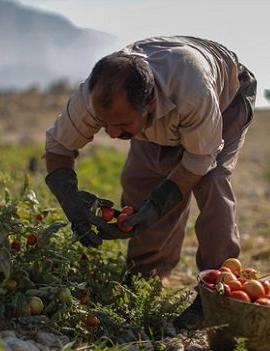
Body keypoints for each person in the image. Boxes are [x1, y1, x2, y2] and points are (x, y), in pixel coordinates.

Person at [44, 36, 256, 330]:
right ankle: (144, 276)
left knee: (212, 183)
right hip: (163, 109)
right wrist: (71, 203)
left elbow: (199, 159)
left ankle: (217, 290)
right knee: (140, 182)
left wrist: (158, 206)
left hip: (224, 99)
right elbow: (57, 147)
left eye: (122, 124)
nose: (113, 134)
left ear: (150, 104)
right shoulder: (94, 97)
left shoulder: (194, 92)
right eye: (106, 124)